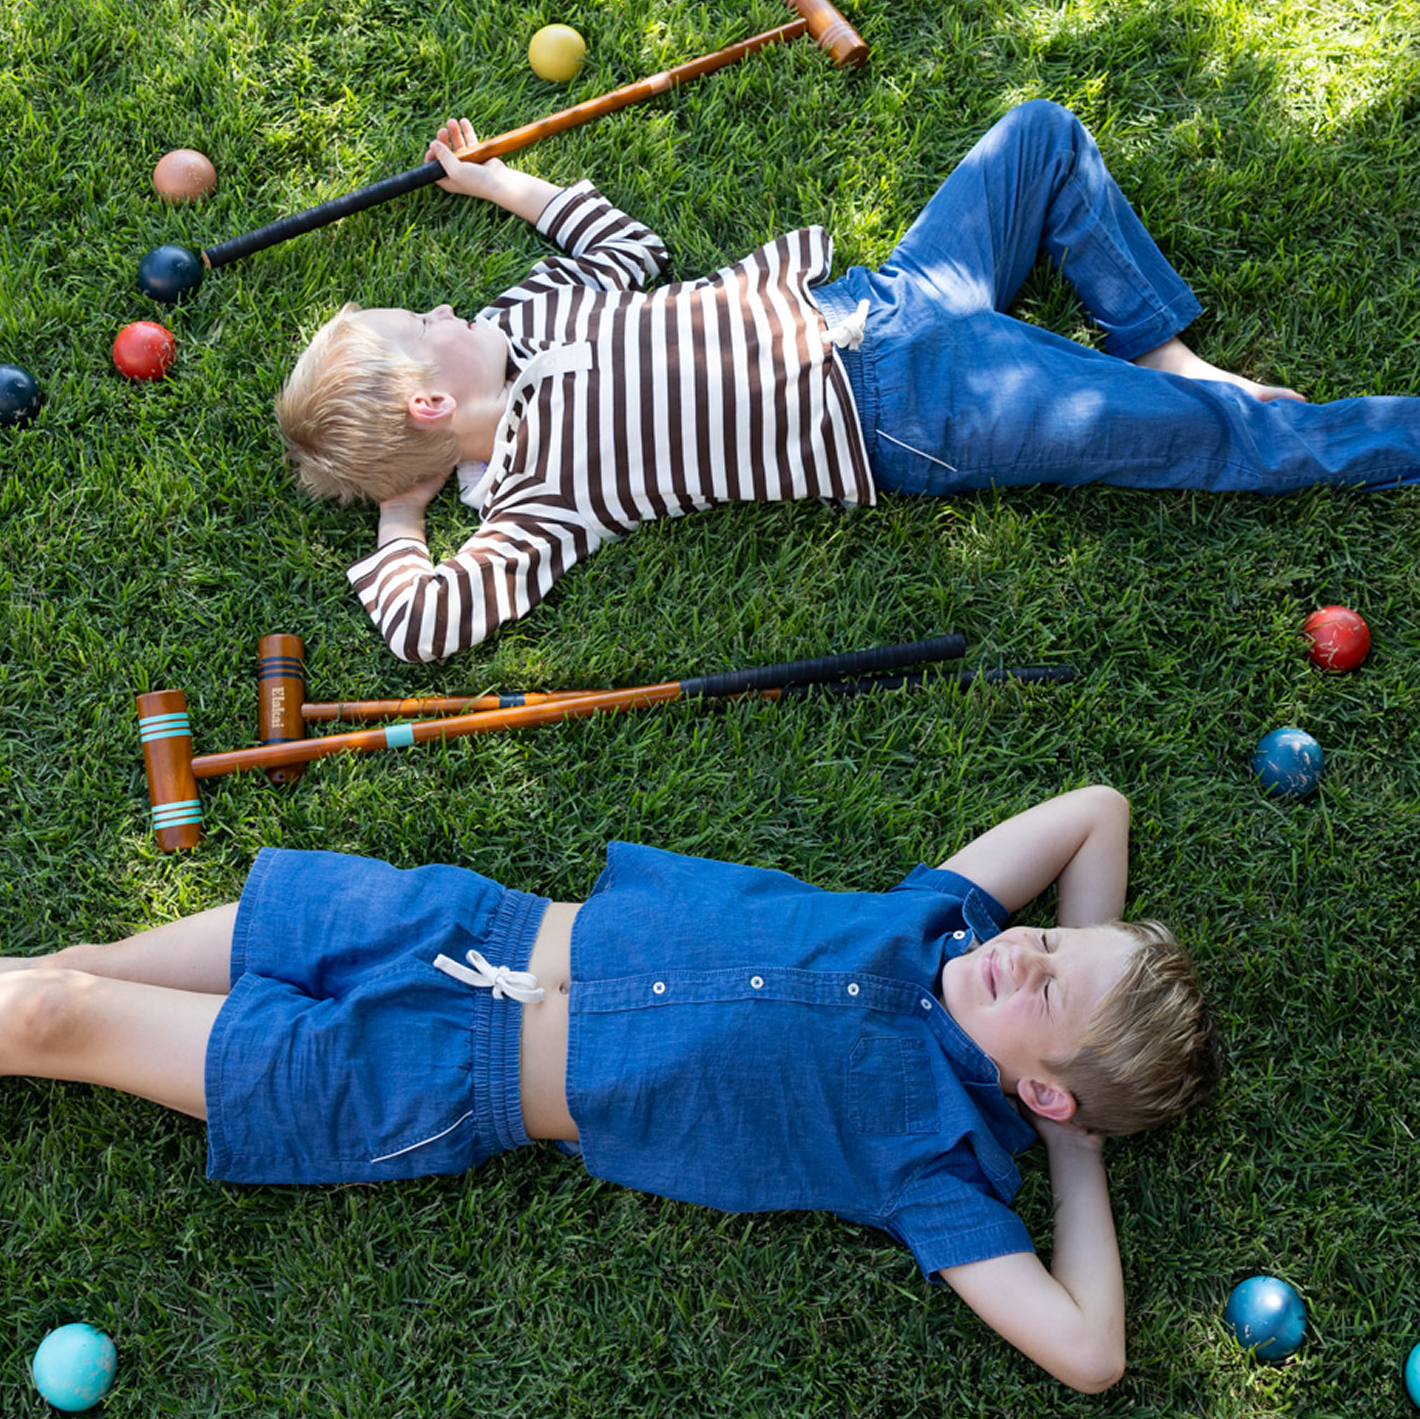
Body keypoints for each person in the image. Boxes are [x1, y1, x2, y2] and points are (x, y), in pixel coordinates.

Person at [0, 785, 1219, 1392]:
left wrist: (1071, 1151)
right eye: (1053, 943)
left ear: (1043, 1097)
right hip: (447, 920)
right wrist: (1068, 997)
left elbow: (1089, 1353)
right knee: (75, 971)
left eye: (1048, 989)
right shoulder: (937, 922)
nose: (1026, 950)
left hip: (426, 1081)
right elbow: (1095, 815)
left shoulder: (935, 1166)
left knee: (58, 1016)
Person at [276, 100, 1420, 663]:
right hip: (917, 411)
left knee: (1039, 134)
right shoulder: (538, 494)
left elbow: (623, 249)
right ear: (431, 405)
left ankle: (1158, 344)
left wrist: (499, 187)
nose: (442, 308)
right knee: (1230, 439)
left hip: (885, 294)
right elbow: (426, 628)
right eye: (422, 322)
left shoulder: (523, 317)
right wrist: (400, 511)